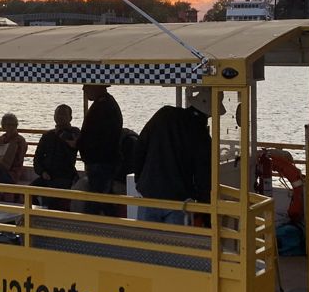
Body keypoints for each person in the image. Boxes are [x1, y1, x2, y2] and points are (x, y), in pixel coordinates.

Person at [133, 87, 212, 225]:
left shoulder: (164, 114)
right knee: (174, 244)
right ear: (209, 114)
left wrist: (139, 179)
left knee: (145, 242)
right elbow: (203, 176)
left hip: (149, 192)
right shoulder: (202, 136)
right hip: (178, 200)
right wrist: (205, 210)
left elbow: (140, 146)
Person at [78, 83, 123, 216]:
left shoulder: (103, 106)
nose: (84, 90)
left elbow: (99, 136)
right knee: (100, 198)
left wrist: (80, 143)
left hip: (101, 162)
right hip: (101, 161)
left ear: (96, 87)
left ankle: (92, 227)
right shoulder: (105, 104)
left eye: (86, 87)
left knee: (97, 199)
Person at [30, 104, 80, 210]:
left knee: (50, 197)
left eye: (63, 114)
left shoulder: (74, 133)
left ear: (70, 118)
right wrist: (42, 172)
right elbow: (37, 159)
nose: (60, 117)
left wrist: (61, 133)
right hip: (47, 175)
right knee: (27, 193)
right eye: (57, 114)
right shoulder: (47, 136)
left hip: (65, 176)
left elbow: (76, 144)